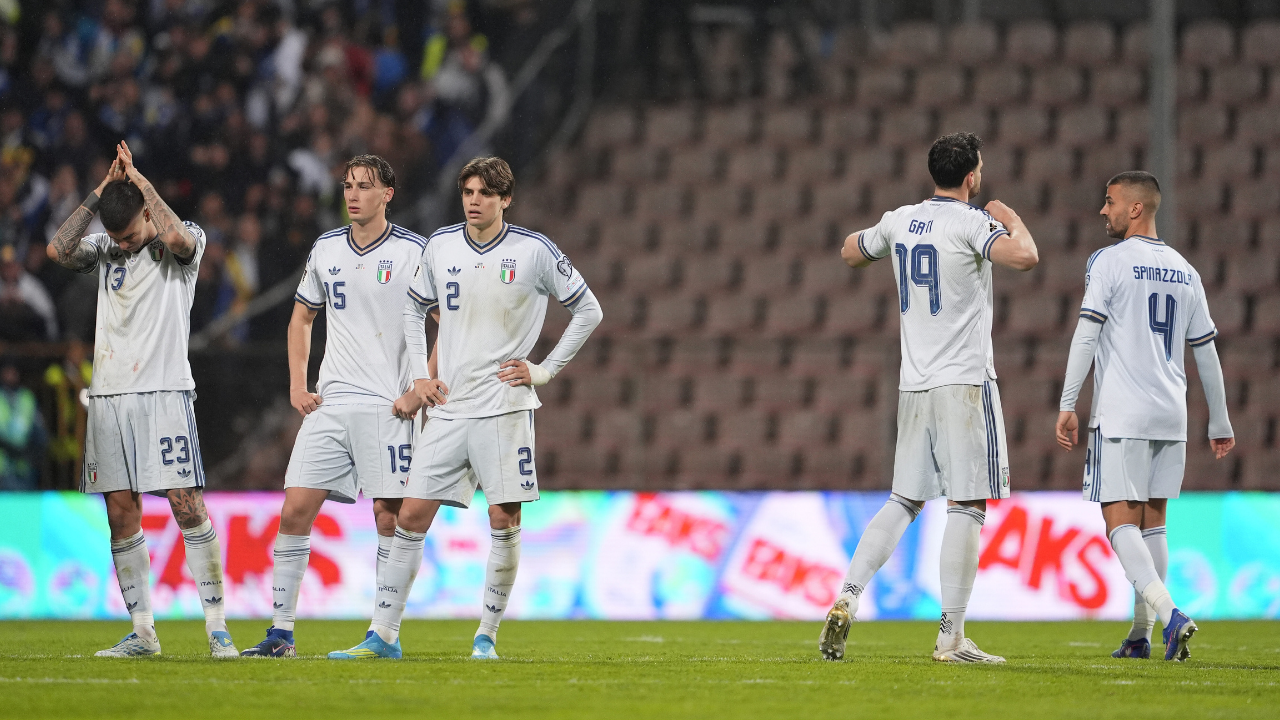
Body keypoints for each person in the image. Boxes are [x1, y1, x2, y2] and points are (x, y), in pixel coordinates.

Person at [328, 156, 603, 660]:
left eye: (484, 194)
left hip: (504, 407)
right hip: (449, 408)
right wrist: (419, 375)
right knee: (410, 515)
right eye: (468, 192)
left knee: (504, 517)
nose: (474, 201)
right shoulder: (441, 246)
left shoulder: (533, 251)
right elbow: (414, 308)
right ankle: (383, 635)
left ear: (505, 200)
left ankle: (486, 637)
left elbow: (589, 309)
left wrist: (543, 370)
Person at [821, 133, 1039, 664]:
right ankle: (952, 636)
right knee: (966, 504)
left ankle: (846, 598)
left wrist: (877, 239)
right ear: (972, 176)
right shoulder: (974, 222)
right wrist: (1010, 216)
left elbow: (850, 251)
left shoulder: (900, 219)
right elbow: (1027, 256)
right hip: (964, 382)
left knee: (903, 501)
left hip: (913, 383)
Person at [44, 141, 237, 658]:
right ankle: (143, 632)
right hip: (108, 396)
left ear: (146, 214)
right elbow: (58, 251)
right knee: (120, 511)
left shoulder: (182, 243)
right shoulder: (108, 249)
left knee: (185, 503)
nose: (122, 245)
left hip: (165, 392)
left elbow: (173, 235)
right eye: (115, 236)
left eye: (128, 234)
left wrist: (143, 184)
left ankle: (218, 628)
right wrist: (100, 192)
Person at [240, 155, 429, 658]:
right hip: (330, 403)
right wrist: (297, 385)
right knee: (294, 509)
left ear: (388, 193)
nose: (352, 195)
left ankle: (384, 634)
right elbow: (300, 319)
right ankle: (280, 633)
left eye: (364, 187)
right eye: (347, 186)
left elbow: (448, 323)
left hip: (388, 406)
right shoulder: (326, 248)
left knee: (388, 516)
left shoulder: (415, 251)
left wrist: (420, 388)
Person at [1055, 171, 1233, 663]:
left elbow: (1086, 336)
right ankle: (1140, 635)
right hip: (1170, 414)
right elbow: (1207, 352)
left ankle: (1170, 615)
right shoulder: (1186, 269)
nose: (1102, 211)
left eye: (1109, 201)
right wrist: (1219, 420)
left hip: (1123, 412)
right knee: (1154, 523)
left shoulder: (1108, 263)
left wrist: (1069, 402)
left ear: (1136, 208)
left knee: (1118, 523)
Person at [0, 361, 48, 491]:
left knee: (23, 505)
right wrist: (8, 447)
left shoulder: (27, 397)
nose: (11, 375)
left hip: (24, 466)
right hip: (3, 466)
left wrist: (31, 452)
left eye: (14, 371)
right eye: (7, 371)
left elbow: (38, 428)